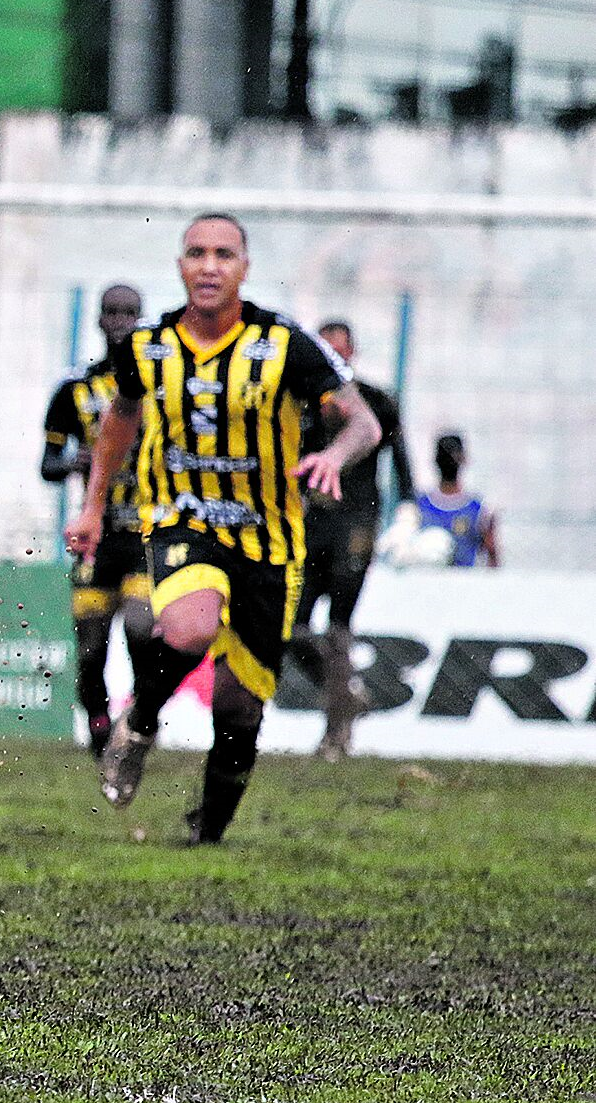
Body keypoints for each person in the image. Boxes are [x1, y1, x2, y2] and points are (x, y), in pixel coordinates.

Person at [67, 213, 382, 846]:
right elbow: (120, 420)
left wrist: (331, 455)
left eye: (224, 254)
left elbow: (364, 425)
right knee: (188, 625)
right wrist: (94, 507)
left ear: (244, 267)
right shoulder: (149, 347)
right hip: (182, 517)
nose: (209, 265)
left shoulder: (284, 345)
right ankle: (139, 723)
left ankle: (207, 831)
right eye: (196, 253)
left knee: (240, 708)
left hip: (270, 539)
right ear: (180, 266)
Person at [40, 283, 153, 754]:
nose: (121, 321)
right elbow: (47, 465)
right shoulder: (74, 389)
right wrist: (77, 462)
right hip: (96, 536)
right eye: (112, 312)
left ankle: (144, 719)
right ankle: (99, 721)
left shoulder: (160, 386)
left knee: (142, 631)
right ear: (99, 320)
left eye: (130, 312)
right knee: (90, 648)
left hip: (146, 532)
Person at [293, 320, 413, 758]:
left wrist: (408, 509)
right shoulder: (303, 403)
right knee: (295, 629)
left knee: (339, 625)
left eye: (339, 353)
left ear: (352, 354)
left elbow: (400, 456)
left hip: (356, 522)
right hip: (313, 521)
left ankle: (335, 734)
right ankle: (347, 695)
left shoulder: (376, 402)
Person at [415, 432, 500, 566]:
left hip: (463, 584)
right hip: (426, 584)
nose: (450, 461)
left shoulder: (480, 510)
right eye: (446, 456)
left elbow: (492, 559)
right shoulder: (418, 506)